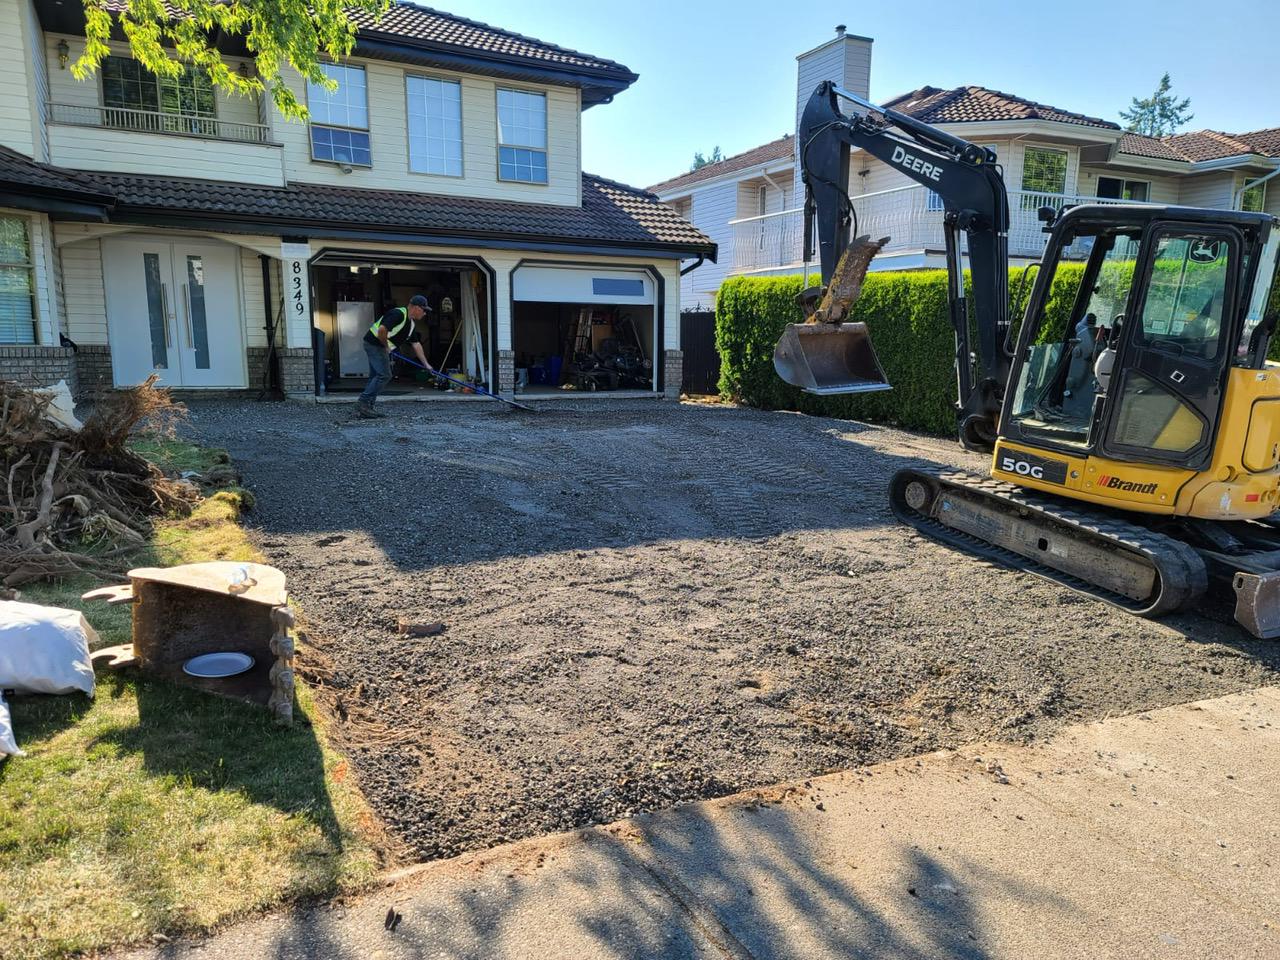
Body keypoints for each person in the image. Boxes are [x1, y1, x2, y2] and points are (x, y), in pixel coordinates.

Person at [358, 294, 433, 418]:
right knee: (384, 375)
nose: (425, 313)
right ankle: (363, 403)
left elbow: (416, 344)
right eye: (424, 310)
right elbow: (382, 330)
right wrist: (386, 346)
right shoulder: (398, 314)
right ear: (416, 308)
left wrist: (426, 364)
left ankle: (367, 407)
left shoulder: (411, 325)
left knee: (376, 376)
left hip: (378, 345)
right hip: (374, 344)